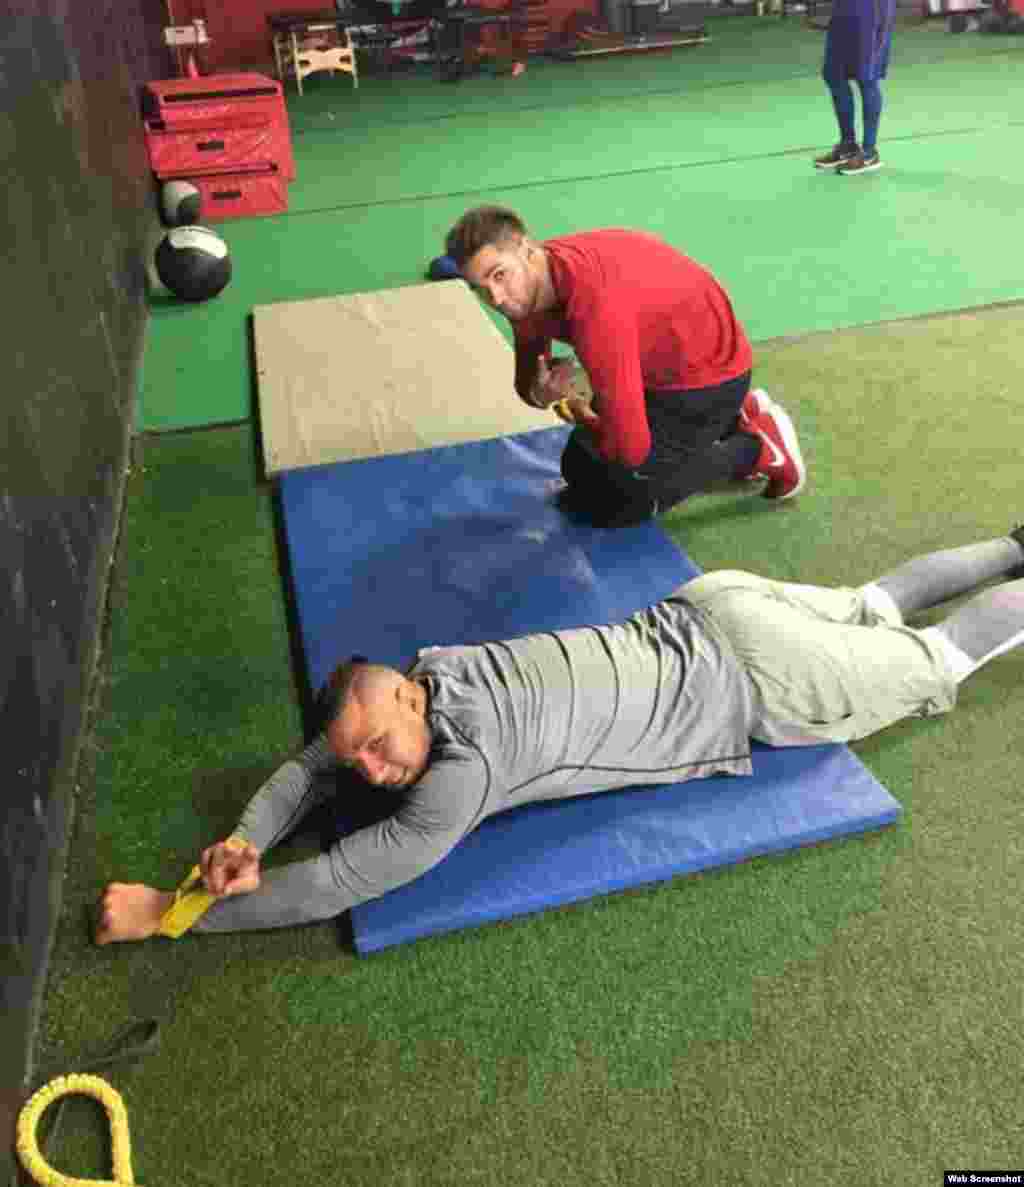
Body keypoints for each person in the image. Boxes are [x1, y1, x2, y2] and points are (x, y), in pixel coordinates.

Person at [96, 527, 1024, 944]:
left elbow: (341, 879)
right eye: (363, 759)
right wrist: (246, 836)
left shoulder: (464, 770)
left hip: (756, 678)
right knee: (875, 603)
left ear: (410, 702)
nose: (374, 772)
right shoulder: (436, 662)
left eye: (380, 745)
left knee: (939, 656)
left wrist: (173, 913)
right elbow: (312, 766)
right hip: (713, 599)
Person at [443, 206, 806, 529]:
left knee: (617, 503)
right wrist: (543, 394)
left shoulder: (593, 307)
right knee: (578, 469)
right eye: (481, 288)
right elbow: (527, 386)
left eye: (499, 276)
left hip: (707, 379)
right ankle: (732, 418)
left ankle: (758, 446)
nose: (497, 298)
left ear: (526, 250)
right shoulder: (528, 285)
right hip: (654, 364)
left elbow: (630, 450)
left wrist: (586, 415)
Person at [814, 0, 897, 175]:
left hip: (873, 9)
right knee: (833, 74)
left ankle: (869, 152)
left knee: (867, 77)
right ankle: (848, 146)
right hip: (845, 8)